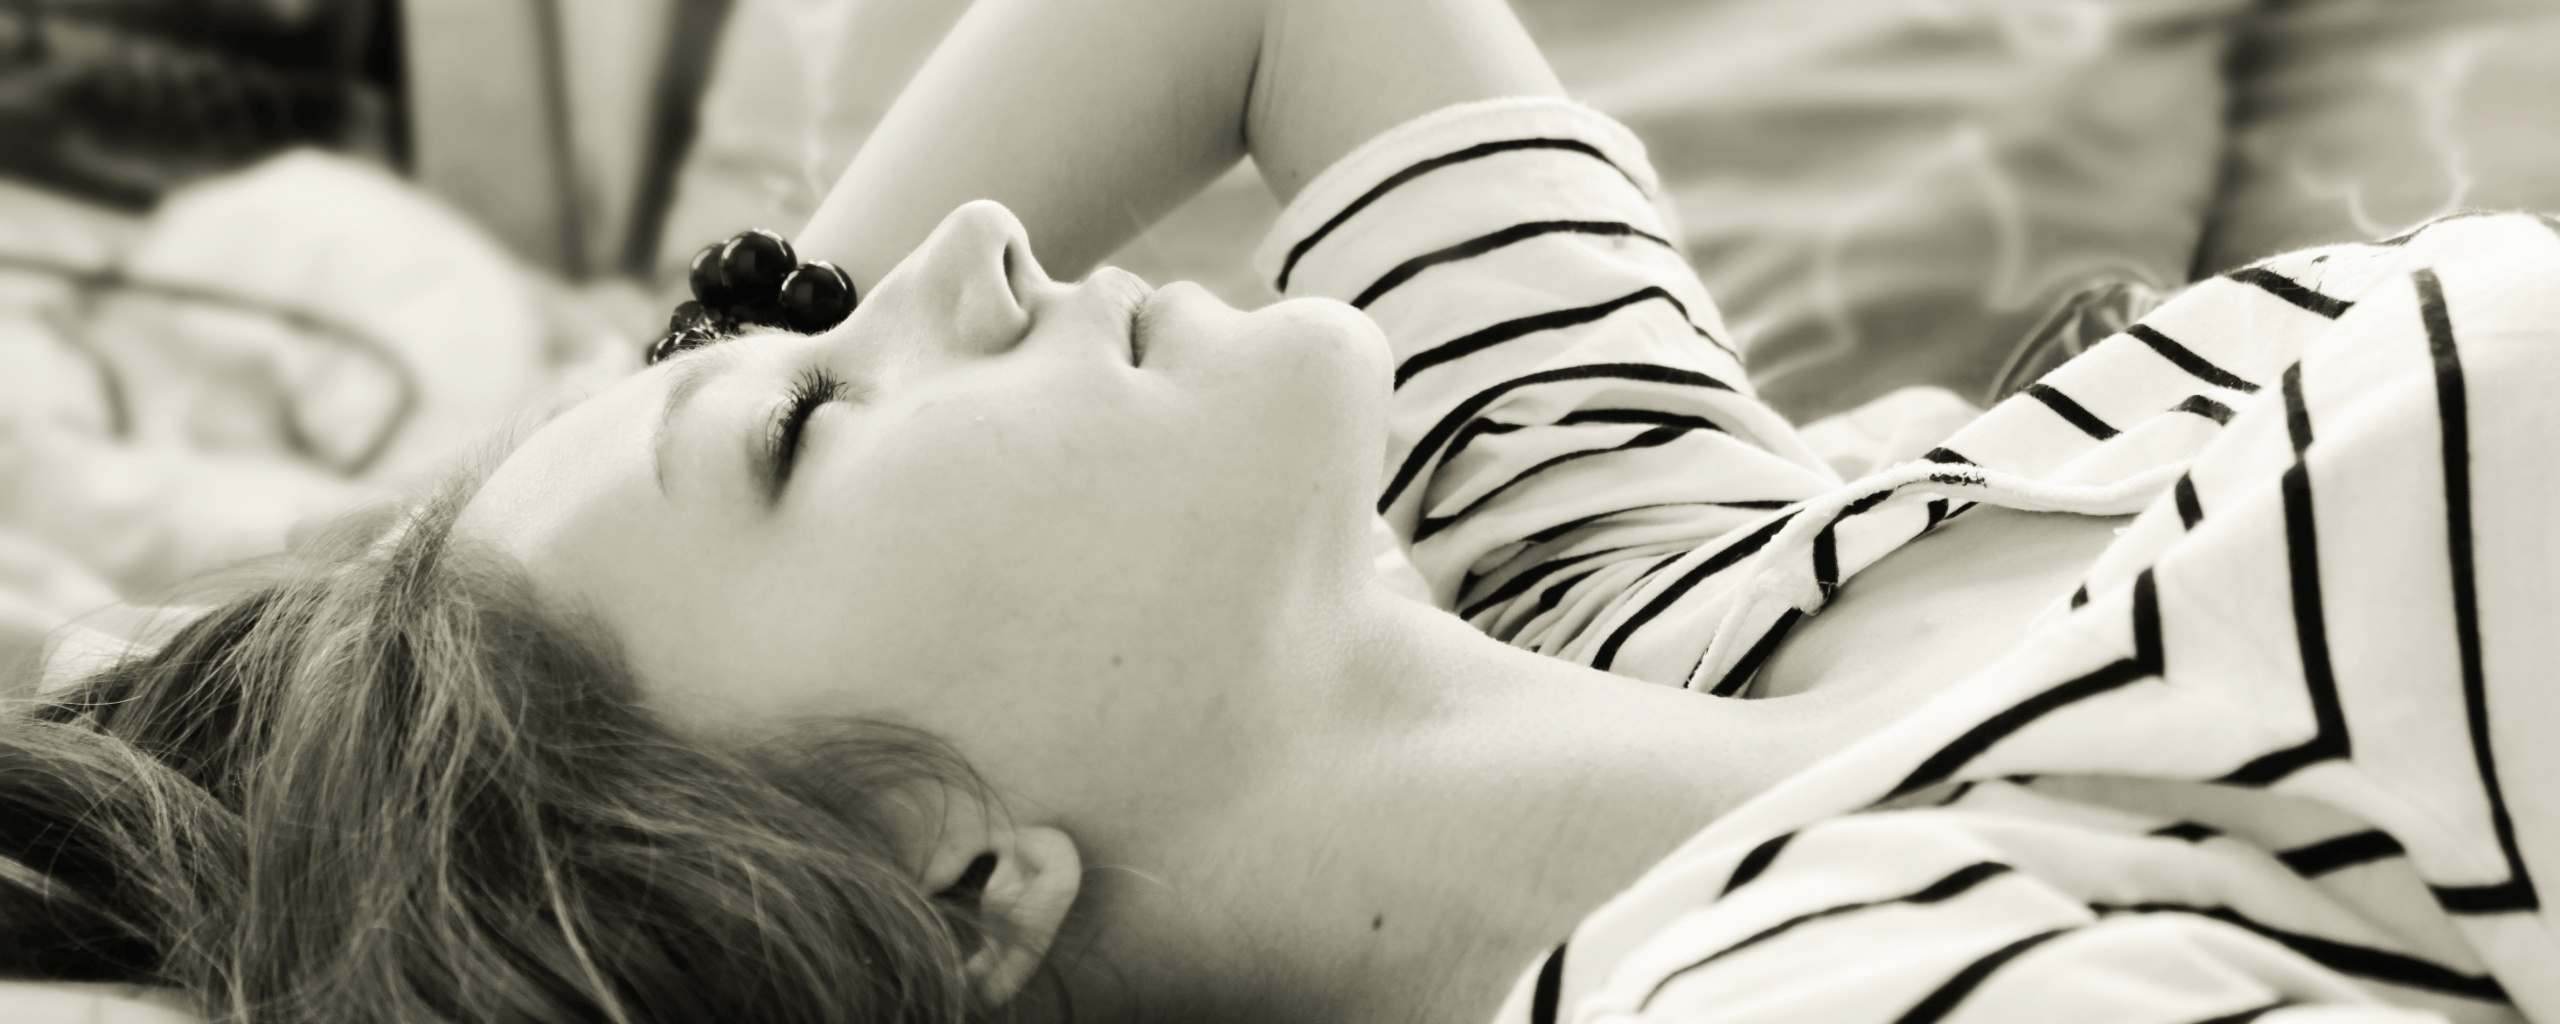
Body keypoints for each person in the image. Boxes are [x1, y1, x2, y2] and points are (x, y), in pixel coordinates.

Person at [5, 0, 2556, 1022]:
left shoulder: (1641, 565)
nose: (963, 251)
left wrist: (648, 412)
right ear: (950, 889)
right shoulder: (1823, 980)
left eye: (790, 327)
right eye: (805, 424)